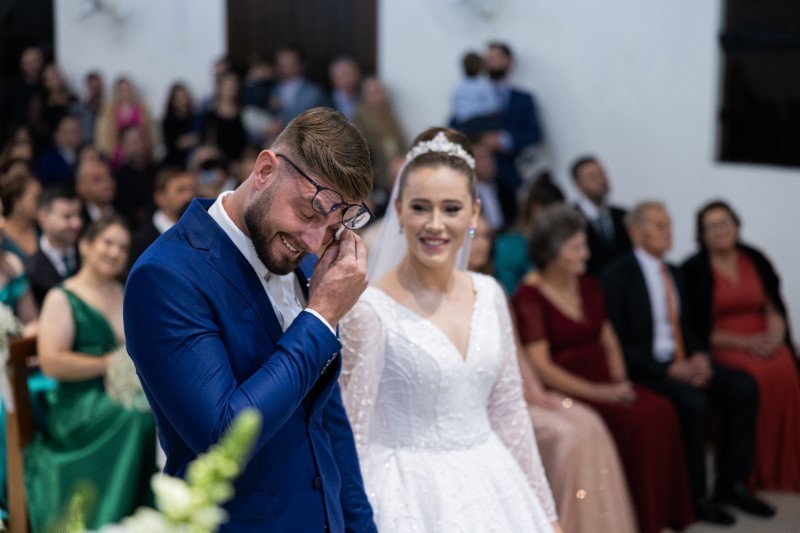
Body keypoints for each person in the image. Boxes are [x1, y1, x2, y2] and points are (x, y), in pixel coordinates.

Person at [124, 108, 378, 531]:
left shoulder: (296, 260)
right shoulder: (166, 275)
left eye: (332, 227)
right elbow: (224, 438)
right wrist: (320, 316)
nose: (314, 242)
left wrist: (360, 526)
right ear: (264, 171)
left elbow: (327, 419)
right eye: (309, 213)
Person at [339, 127, 561, 532]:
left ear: (474, 214)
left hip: (494, 485)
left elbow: (508, 410)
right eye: (421, 207)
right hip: (406, 494)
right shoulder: (368, 311)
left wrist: (547, 513)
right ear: (399, 210)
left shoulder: (490, 294)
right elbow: (352, 429)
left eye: (452, 208)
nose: (435, 224)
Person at [512, 205, 693, 533]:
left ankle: (658, 516)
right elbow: (542, 366)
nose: (586, 254)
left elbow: (608, 338)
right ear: (552, 254)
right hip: (569, 391)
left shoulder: (589, 284)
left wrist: (620, 380)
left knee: (662, 410)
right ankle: (631, 517)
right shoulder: (529, 296)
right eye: (576, 248)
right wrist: (601, 393)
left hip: (607, 383)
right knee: (637, 424)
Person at [601, 201, 775, 525]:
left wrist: (700, 358)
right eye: (660, 226)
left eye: (669, 224)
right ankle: (696, 497)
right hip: (648, 370)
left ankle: (732, 484)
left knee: (744, 387)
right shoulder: (617, 276)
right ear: (636, 233)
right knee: (695, 404)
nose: (669, 232)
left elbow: (687, 326)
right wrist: (668, 370)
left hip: (681, 361)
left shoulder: (674, 271)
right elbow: (619, 342)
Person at [469, 211, 637, 533]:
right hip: (480, 402)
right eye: (474, 234)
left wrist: (534, 390)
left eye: (487, 236)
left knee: (590, 423)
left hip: (514, 391)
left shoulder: (493, 289)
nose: (482, 244)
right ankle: (561, 524)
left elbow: (516, 351)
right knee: (567, 435)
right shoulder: (516, 292)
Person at [24, 216, 156, 532]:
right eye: (107, 243)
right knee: (138, 417)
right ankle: (114, 515)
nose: (115, 253)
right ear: (85, 245)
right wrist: (108, 363)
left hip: (119, 392)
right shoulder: (62, 296)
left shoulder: (121, 290)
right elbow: (51, 362)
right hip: (77, 404)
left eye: (123, 248)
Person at [682, 200, 800, 491]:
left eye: (724, 223)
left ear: (736, 225)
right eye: (711, 226)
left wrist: (776, 334)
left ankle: (785, 464)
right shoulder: (693, 269)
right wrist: (746, 343)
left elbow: (773, 303)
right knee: (756, 377)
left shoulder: (755, 257)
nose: (720, 230)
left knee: (786, 367)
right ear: (702, 234)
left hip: (765, 338)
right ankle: (752, 471)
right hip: (724, 344)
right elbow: (696, 328)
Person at [452, 42, 543, 226]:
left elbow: (534, 134)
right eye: (488, 58)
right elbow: (454, 127)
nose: (491, 63)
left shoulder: (523, 99)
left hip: (511, 174)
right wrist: (477, 142)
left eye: (497, 58)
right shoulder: (469, 94)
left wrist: (503, 141)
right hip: (478, 179)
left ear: (509, 62)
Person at [493, 171, 564, 295]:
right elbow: (509, 289)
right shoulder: (510, 244)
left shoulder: (561, 241)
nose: (553, 222)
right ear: (535, 208)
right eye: (550, 215)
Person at [571, 156, 632, 276]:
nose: (601, 180)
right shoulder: (571, 220)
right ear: (579, 185)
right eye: (592, 177)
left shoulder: (622, 215)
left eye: (602, 173)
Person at [25, 186, 84, 308]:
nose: (76, 224)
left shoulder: (88, 256)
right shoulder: (30, 269)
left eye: (78, 215)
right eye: (67, 216)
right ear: (43, 218)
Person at [128, 167, 196, 267]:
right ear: (160, 197)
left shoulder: (202, 231)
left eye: (193, 190)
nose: (190, 196)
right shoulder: (142, 242)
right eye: (181, 190)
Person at [352, 76, 406, 195]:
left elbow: (402, 145)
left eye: (379, 91)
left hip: (398, 172)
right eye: (371, 93)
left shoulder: (390, 115)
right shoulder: (360, 120)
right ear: (364, 96)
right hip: (377, 180)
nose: (376, 97)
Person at [266, 44, 328, 142]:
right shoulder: (270, 88)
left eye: (290, 64)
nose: (286, 68)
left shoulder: (314, 92)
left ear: (302, 64)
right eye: (282, 64)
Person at [95, 77, 153, 171]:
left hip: (139, 151)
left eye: (127, 89)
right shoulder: (108, 111)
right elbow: (103, 134)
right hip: (116, 152)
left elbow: (148, 131)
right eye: (122, 90)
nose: (125, 93)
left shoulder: (142, 109)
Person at [449, 51, 502, 136]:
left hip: (462, 122)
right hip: (480, 123)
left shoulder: (459, 86)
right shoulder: (484, 84)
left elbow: (455, 105)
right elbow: (493, 106)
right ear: (481, 67)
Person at [200, 71, 247, 164]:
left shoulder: (245, 114)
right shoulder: (210, 116)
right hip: (218, 161)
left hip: (241, 161)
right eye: (228, 86)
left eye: (234, 86)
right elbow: (208, 142)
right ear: (220, 88)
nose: (231, 89)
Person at [0, 172, 41, 258]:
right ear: (17, 202)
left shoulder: (41, 229)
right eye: (36, 198)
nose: (41, 203)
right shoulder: (2, 232)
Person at [35, 114, 82, 186]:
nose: (72, 136)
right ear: (56, 134)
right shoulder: (49, 159)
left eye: (75, 131)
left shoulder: (85, 155)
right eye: (66, 132)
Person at [161, 82, 199, 167]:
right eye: (179, 99)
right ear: (173, 102)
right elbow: (171, 145)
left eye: (184, 97)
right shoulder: (168, 122)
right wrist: (190, 140)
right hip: (175, 164)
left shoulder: (197, 118)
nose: (183, 102)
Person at [75, 158, 116, 228]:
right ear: (80, 187)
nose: (107, 184)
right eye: (97, 179)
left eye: (109, 177)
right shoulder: (76, 221)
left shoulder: (125, 212)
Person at [329, 56, 361, 120]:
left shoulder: (365, 97)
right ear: (334, 79)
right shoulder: (326, 102)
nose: (347, 80)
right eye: (342, 76)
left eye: (349, 74)